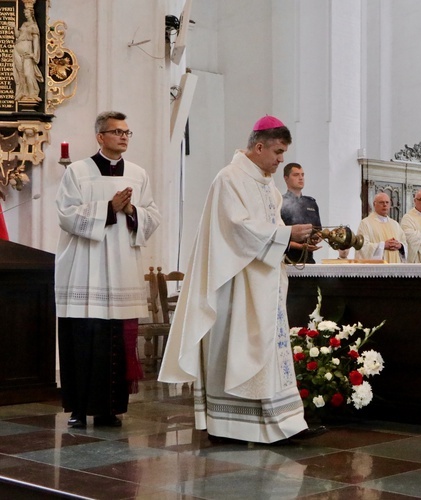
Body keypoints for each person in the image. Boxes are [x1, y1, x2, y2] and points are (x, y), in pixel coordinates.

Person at [159, 115, 314, 444]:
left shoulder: (268, 187)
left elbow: (265, 235)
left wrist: (293, 242)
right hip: (234, 285)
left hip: (263, 284)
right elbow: (238, 230)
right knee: (238, 351)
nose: (281, 160)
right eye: (278, 152)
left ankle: (281, 423)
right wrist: (285, 234)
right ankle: (228, 426)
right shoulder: (228, 179)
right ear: (259, 147)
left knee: (266, 352)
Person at [55, 111, 161, 429]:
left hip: (121, 268)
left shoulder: (138, 174)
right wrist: (107, 209)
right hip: (83, 268)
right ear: (100, 137)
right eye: (117, 132)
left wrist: (131, 210)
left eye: (128, 132)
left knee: (114, 343)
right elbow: (66, 214)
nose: (124, 137)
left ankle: (109, 409)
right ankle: (77, 409)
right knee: (82, 338)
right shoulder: (77, 172)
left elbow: (153, 216)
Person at [280, 163, 322, 263]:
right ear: (286, 178)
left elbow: (318, 231)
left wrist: (316, 239)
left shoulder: (311, 203)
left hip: (308, 260)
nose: (301, 178)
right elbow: (278, 236)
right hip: (288, 260)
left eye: (302, 175)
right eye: (296, 175)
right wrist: (300, 246)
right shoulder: (280, 202)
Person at [355, 192, 407, 263]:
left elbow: (404, 242)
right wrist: (383, 245)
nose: (385, 205)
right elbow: (362, 247)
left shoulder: (395, 224)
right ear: (374, 204)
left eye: (387, 202)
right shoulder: (366, 223)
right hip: (377, 269)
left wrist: (400, 246)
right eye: (381, 202)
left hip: (395, 265)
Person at [12, 6, 43, 102]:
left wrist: (34, 54)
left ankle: (33, 93)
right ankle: (23, 93)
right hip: (17, 50)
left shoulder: (34, 26)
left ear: (31, 13)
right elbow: (18, 36)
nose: (25, 14)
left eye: (27, 13)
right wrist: (14, 27)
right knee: (20, 73)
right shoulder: (24, 24)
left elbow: (36, 41)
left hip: (27, 52)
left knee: (27, 74)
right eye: (25, 13)